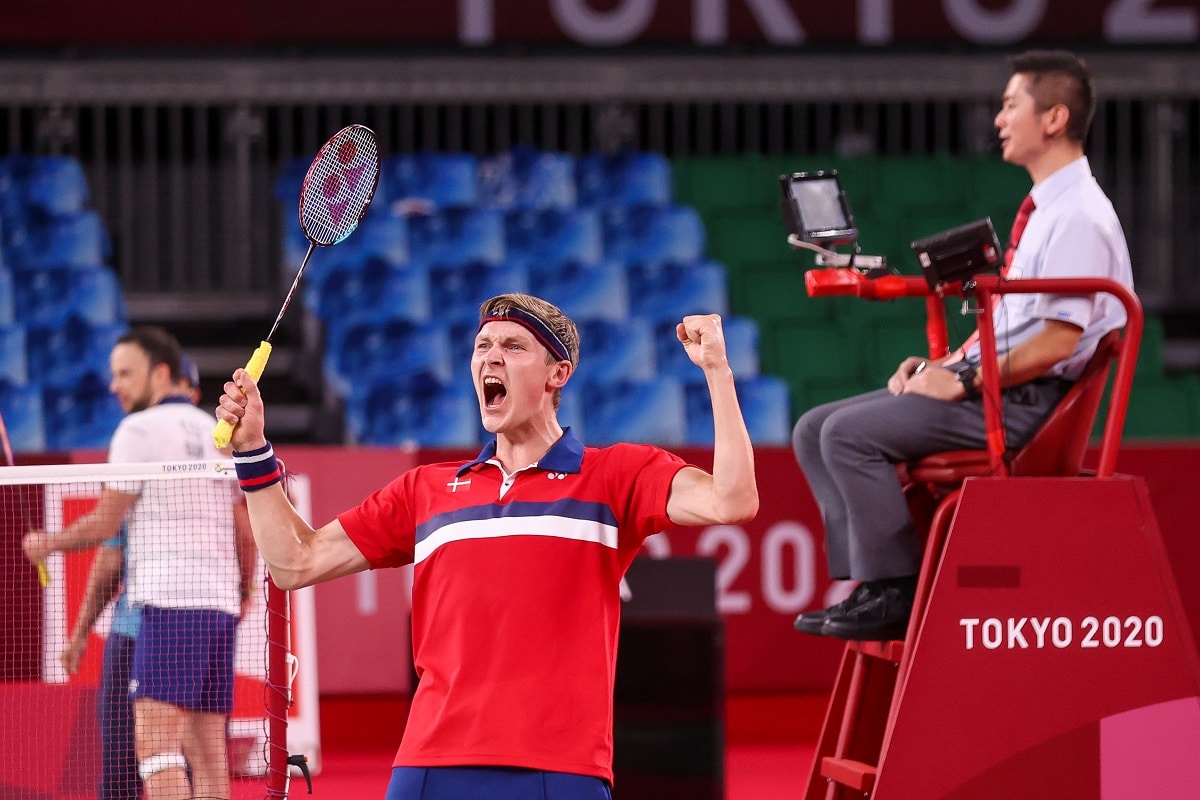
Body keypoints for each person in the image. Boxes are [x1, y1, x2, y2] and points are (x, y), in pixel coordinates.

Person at [214, 293, 758, 800]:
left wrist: (717, 372)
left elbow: (732, 501)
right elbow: (295, 562)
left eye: (513, 346)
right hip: (430, 762)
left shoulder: (615, 475)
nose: (490, 358)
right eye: (482, 347)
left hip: (560, 768)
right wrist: (254, 453)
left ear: (557, 374)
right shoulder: (423, 490)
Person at [791, 49, 1134, 642]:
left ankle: (894, 589)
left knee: (847, 436)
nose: (999, 119)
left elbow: (1056, 340)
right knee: (813, 429)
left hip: (1024, 405)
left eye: (1010, 105)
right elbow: (1013, 326)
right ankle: (871, 583)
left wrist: (965, 380)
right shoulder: (1047, 211)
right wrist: (944, 363)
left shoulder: (1079, 216)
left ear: (1053, 118)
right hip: (997, 386)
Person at [23, 328, 256, 800]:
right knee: (209, 761)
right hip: (219, 607)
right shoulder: (218, 432)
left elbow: (105, 526)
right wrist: (243, 592)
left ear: (161, 373)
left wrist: (47, 543)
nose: (115, 386)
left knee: (155, 752)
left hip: (167, 606)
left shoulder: (137, 430)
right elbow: (245, 530)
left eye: (125, 374)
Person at [57, 351, 208, 800]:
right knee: (194, 759)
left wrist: (81, 631)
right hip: (197, 624)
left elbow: (108, 558)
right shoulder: (213, 449)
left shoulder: (137, 445)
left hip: (141, 629)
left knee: (130, 765)